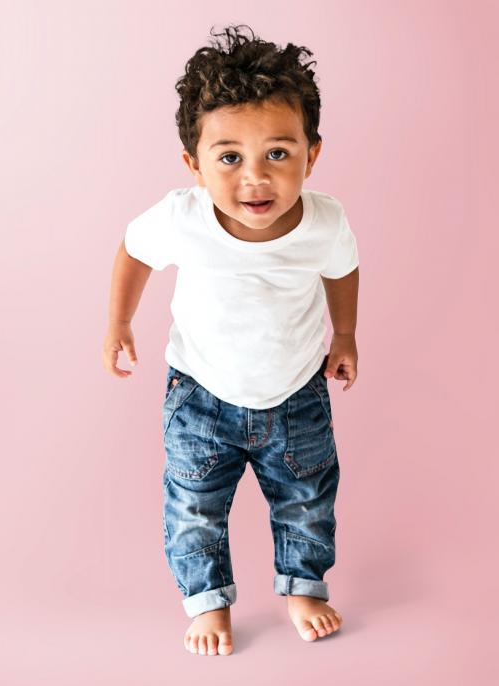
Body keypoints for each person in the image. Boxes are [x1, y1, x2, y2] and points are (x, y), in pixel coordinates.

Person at [103, 24, 359, 656]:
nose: (255, 179)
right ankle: (208, 601)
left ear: (311, 153)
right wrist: (119, 321)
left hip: (296, 391)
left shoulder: (324, 221)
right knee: (194, 502)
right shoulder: (180, 219)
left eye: (278, 153)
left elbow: (342, 268)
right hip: (201, 394)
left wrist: (346, 333)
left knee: (307, 495)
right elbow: (134, 253)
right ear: (193, 163)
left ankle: (304, 585)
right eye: (229, 157)